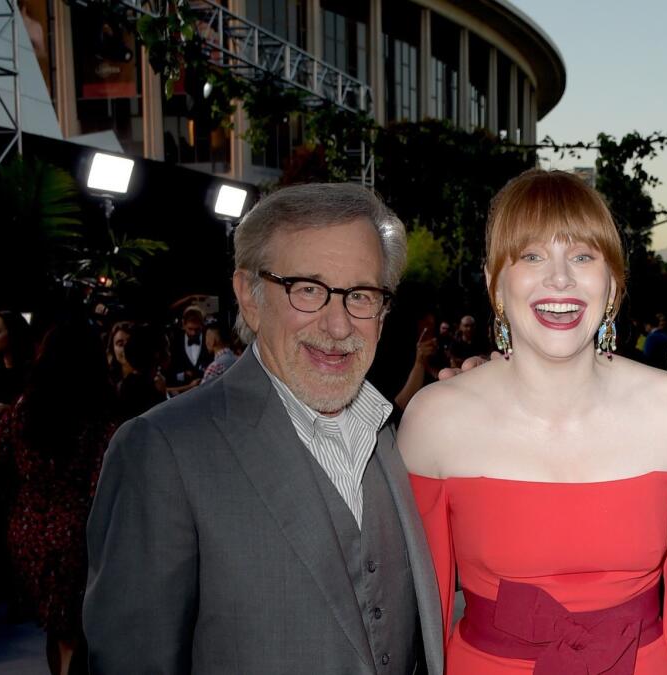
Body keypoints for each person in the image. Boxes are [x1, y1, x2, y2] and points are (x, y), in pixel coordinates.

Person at [84, 183, 445, 674]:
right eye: (308, 289)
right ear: (248, 299)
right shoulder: (161, 452)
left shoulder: (395, 436)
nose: (338, 325)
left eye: (360, 295)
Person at [400, 169, 667, 674]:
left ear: (613, 284)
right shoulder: (434, 420)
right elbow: (410, 609)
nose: (559, 278)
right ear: (496, 282)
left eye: (582, 256)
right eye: (532, 256)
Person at [0, 321, 116, 675]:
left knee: (56, 629)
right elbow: (100, 481)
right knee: (78, 631)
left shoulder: (21, 409)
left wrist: (24, 506)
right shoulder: (98, 415)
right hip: (80, 535)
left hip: (28, 532)